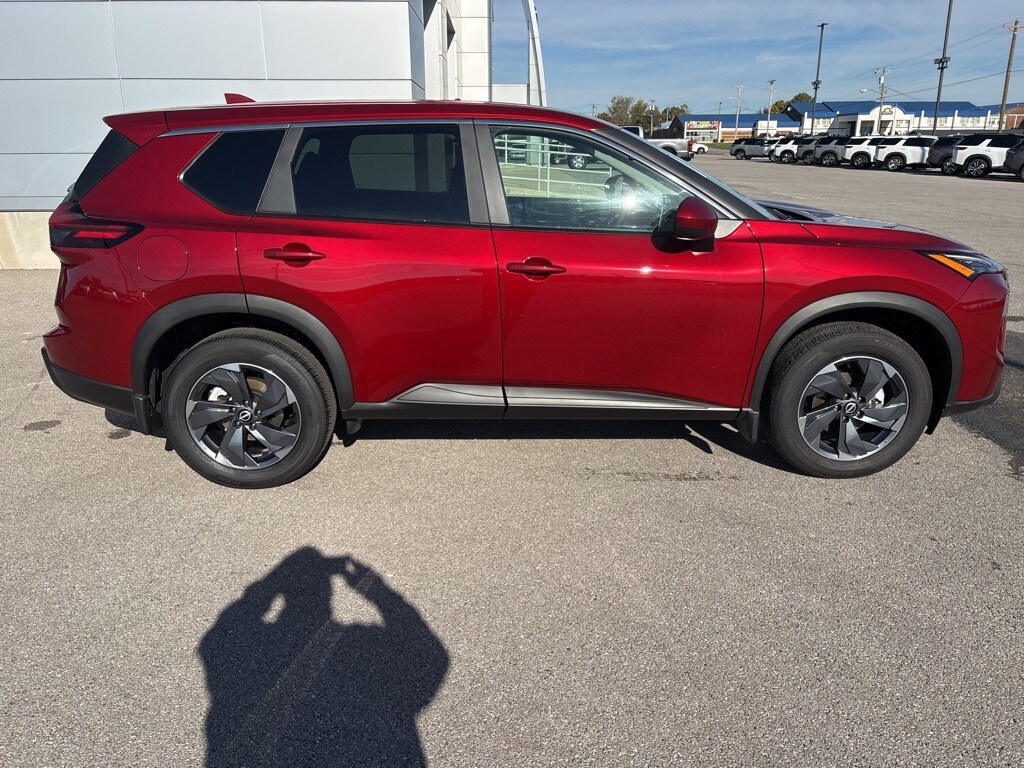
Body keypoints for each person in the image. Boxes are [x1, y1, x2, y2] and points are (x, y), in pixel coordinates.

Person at [199, 548, 449, 767]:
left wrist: (276, 578)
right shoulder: (358, 648)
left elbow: (229, 626)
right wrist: (375, 589)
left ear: (286, 594)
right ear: (328, 597)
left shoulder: (249, 648)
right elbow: (428, 654)